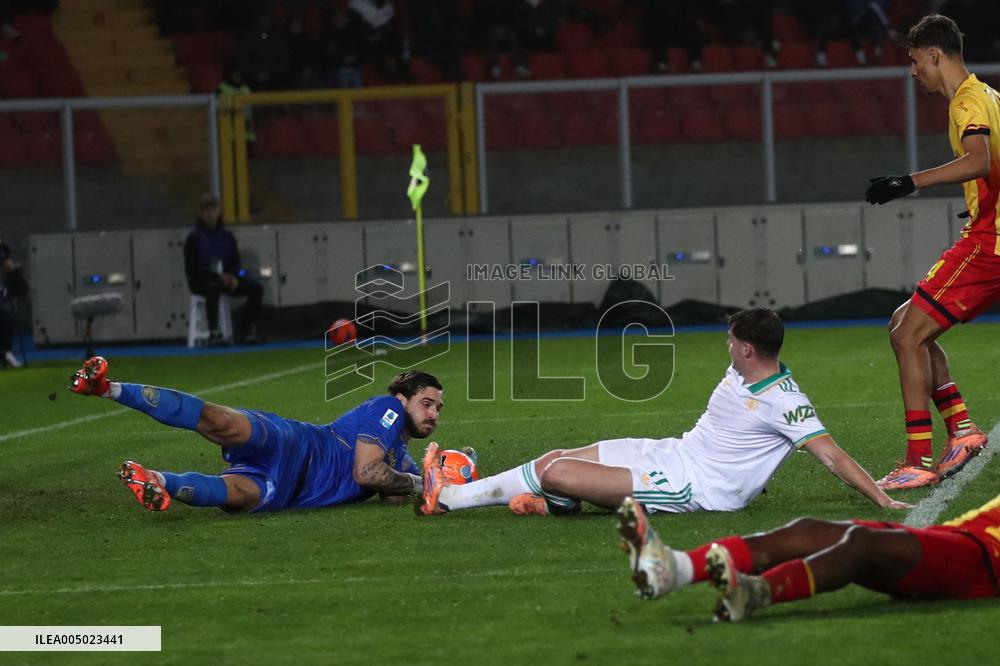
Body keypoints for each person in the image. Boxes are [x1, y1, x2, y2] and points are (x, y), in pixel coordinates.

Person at [419, 308, 909, 517]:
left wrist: (882, 500)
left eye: (732, 341)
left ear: (748, 350)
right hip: (673, 452)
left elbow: (832, 455)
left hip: (694, 485)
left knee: (557, 473)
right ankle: (453, 497)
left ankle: (546, 499)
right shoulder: (744, 369)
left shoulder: (786, 402)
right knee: (554, 458)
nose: (726, 345)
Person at [863, 14, 994, 489]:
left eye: (916, 61)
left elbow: (978, 160)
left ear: (935, 55)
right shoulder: (989, 95)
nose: (914, 71)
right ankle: (961, 429)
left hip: (990, 243)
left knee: (907, 335)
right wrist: (979, 200)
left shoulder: (968, 102)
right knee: (904, 325)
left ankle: (917, 460)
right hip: (987, 232)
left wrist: (907, 182)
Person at [68, 356, 442, 514]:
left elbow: (394, 492)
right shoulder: (387, 408)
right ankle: (106, 387)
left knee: (234, 495)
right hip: (297, 446)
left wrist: (436, 479)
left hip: (291, 494)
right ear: (402, 399)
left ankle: (155, 479)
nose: (433, 414)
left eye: (438, 408)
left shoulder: (401, 455)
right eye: (426, 403)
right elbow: (367, 473)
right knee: (218, 420)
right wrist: (417, 482)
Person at [616, 492, 1000, 622]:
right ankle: (674, 569)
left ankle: (756, 593)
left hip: (984, 562)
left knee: (861, 543)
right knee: (808, 529)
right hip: (955, 535)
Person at [184, 193, 264, 344]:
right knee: (212, 287)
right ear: (201, 213)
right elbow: (193, 269)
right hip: (201, 280)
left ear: (218, 211)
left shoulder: (227, 237)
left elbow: (235, 262)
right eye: (206, 210)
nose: (210, 213)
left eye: (213, 209)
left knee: (256, 288)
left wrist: (233, 276)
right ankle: (214, 332)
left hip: (226, 278)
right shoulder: (194, 239)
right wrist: (217, 276)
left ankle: (244, 328)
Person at [0, 237, 28, 369]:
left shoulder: (8, 275)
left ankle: (5, 353)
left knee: (6, 316)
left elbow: (23, 290)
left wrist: (14, 272)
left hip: (4, 311)